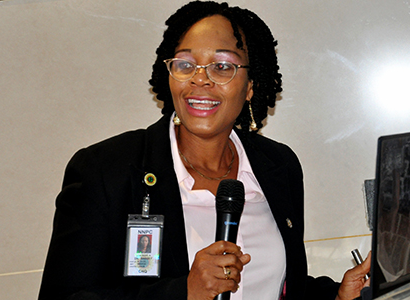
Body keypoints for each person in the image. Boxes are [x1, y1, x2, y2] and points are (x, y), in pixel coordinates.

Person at [38, 1, 370, 300]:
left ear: (251, 86)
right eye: (186, 64)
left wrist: (336, 296)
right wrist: (184, 292)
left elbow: (279, 283)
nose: (201, 79)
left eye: (222, 66)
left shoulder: (278, 165)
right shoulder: (106, 170)